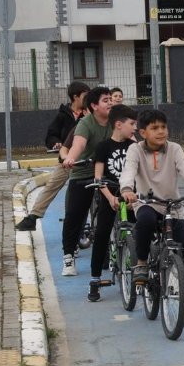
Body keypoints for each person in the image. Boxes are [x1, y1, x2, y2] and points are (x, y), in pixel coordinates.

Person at [119, 110, 184, 326]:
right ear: (143, 132)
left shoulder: (174, 149)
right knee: (145, 221)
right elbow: (128, 171)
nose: (161, 131)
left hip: (172, 206)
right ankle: (142, 263)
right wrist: (126, 189)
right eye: (154, 128)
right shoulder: (135, 150)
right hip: (146, 202)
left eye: (163, 127)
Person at [16, 81, 90, 231]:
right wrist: (56, 143)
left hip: (88, 160)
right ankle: (33, 217)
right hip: (66, 160)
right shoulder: (63, 115)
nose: (89, 99)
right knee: (51, 186)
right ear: (75, 97)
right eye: (85, 96)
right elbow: (51, 136)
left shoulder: (91, 114)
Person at [60, 87, 113, 276]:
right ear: (94, 105)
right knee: (74, 214)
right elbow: (78, 144)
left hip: (109, 173)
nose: (110, 103)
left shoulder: (117, 121)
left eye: (111, 99)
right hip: (83, 172)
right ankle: (68, 257)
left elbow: (130, 139)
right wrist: (70, 159)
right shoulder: (85, 124)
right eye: (105, 100)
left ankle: (115, 251)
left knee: (119, 209)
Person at [87, 105, 137, 302]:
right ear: (118, 124)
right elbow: (98, 178)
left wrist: (133, 195)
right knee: (101, 235)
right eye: (132, 124)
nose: (135, 128)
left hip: (131, 196)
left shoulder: (135, 147)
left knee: (140, 230)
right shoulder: (103, 147)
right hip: (110, 194)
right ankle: (95, 279)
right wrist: (110, 198)